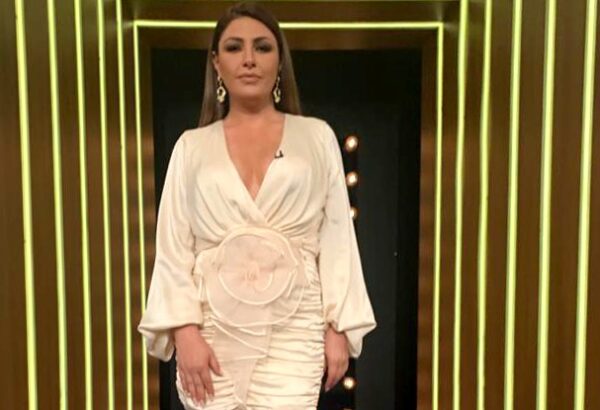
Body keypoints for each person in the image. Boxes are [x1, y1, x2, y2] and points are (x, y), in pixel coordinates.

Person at [138, 2, 376, 409]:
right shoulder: (191, 147)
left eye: (262, 47)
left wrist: (338, 326)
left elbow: (337, 236)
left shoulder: (316, 137)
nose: (249, 59)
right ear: (216, 62)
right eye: (234, 47)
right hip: (212, 329)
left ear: (280, 61)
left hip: (294, 326)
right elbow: (173, 246)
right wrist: (184, 330)